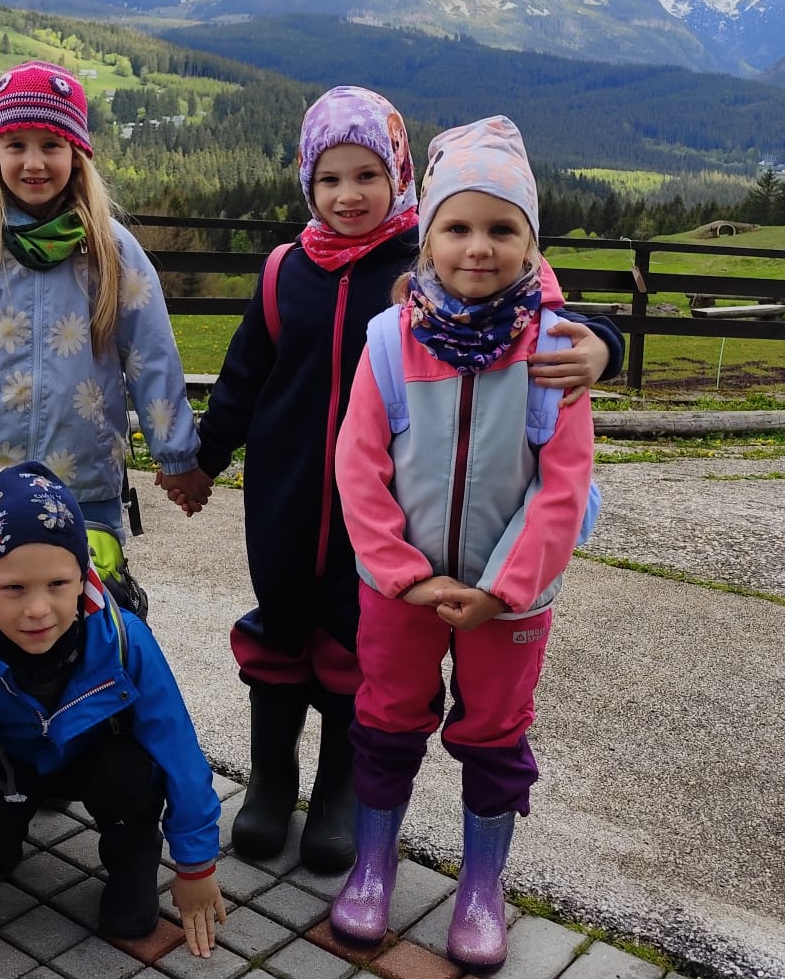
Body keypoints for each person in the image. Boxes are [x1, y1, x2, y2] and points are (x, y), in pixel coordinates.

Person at [197, 88, 620, 874]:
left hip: (383, 522)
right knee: (279, 631)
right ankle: (271, 781)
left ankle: (337, 794)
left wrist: (604, 343)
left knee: (355, 651)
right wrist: (204, 458)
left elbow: (539, 296)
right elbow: (242, 376)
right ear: (306, 183)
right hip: (288, 500)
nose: (348, 195)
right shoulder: (285, 271)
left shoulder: (424, 263)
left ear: (399, 177)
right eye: (329, 179)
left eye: (367, 175)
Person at [330, 116, 595, 967]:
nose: (478, 248)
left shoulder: (556, 350)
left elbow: (565, 484)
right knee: (386, 721)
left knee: (495, 734)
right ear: (427, 237)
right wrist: (402, 574)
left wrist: (503, 588)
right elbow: (358, 464)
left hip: (507, 600)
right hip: (398, 591)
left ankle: (482, 887)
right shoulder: (389, 341)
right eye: (457, 227)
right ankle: (374, 866)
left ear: (531, 242)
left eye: (502, 229)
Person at [0, 462, 228, 956]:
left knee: (132, 908)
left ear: (82, 578)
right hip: (10, 761)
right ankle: (13, 818)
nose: (38, 609)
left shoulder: (125, 639)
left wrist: (195, 866)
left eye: (58, 585)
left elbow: (180, 754)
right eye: (14, 588)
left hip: (102, 761)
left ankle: (133, 853)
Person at [0, 61, 202, 559]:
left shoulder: (112, 251)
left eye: (51, 144)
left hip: (87, 485)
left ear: (76, 152)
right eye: (15, 145)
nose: (34, 163)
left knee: (89, 602)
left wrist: (177, 456)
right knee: (0, 603)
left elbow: (151, 355)